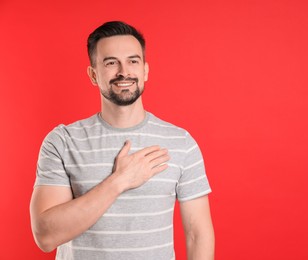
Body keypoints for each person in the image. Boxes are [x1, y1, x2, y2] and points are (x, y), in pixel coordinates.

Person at [30, 21, 214, 260]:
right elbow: (45, 236)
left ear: (145, 70)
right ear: (93, 74)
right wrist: (119, 181)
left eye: (133, 61)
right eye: (110, 63)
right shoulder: (63, 141)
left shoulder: (181, 142)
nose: (123, 71)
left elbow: (197, 234)